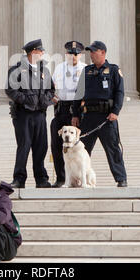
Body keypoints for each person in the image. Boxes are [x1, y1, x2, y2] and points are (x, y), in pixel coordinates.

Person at [72, 41, 128, 187]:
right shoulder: (87, 71)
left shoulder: (114, 70)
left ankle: (121, 178)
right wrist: (75, 114)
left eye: (94, 51)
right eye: (90, 52)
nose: (91, 54)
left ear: (102, 52)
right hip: (89, 117)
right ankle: (79, 179)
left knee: (113, 149)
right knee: (82, 150)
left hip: (106, 117)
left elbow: (119, 92)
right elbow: (78, 94)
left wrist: (115, 111)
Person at [5, 39, 55, 188]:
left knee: (41, 147)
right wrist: (26, 100)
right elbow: (10, 90)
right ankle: (19, 179)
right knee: (24, 146)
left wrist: (44, 101)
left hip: (39, 114)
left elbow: (51, 90)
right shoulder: (17, 70)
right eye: (41, 51)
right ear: (33, 52)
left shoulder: (44, 70)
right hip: (23, 114)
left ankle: (41, 179)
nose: (43, 53)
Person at [50, 41, 86, 188]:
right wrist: (52, 97)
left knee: (79, 147)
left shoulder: (85, 69)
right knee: (57, 145)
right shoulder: (59, 68)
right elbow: (51, 87)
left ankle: (81, 178)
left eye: (76, 53)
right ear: (66, 54)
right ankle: (61, 178)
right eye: (71, 53)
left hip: (77, 110)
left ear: (81, 55)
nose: (73, 56)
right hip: (61, 109)